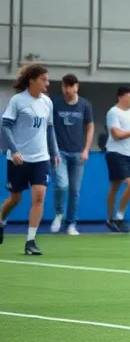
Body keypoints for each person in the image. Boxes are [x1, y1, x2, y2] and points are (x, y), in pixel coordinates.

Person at [0, 65, 58, 254]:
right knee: (15, 198)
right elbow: (5, 126)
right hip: (19, 159)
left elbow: (49, 129)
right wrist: (14, 151)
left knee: (39, 197)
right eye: (44, 79)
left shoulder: (47, 102)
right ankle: (1, 220)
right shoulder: (18, 101)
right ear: (32, 80)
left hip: (41, 158)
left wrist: (54, 152)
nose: (47, 83)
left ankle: (31, 242)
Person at [50, 74, 93, 236]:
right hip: (59, 152)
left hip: (78, 152)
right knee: (61, 185)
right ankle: (59, 214)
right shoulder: (56, 103)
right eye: (65, 86)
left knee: (75, 190)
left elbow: (90, 127)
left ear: (77, 87)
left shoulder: (84, 105)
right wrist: (53, 150)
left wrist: (87, 149)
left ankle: (71, 224)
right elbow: (50, 127)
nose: (67, 90)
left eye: (70, 86)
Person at [104, 86, 130, 231]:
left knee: (115, 186)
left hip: (129, 153)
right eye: (129, 97)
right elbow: (116, 135)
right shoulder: (113, 112)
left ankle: (113, 218)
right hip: (115, 153)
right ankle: (116, 217)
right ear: (121, 96)